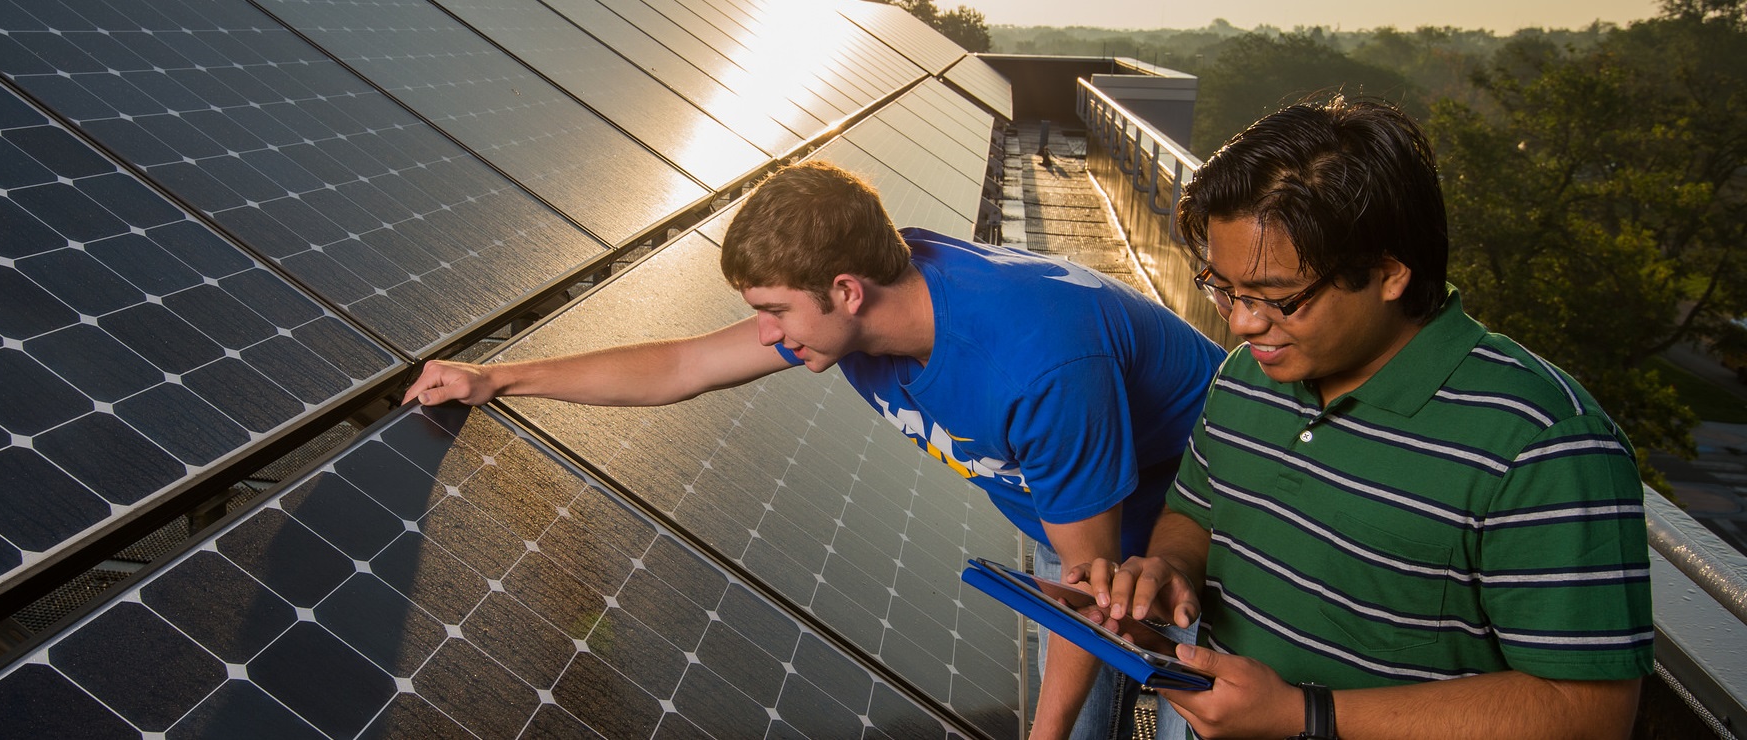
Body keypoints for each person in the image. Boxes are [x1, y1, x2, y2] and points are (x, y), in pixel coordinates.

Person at [402, 160, 1225, 739]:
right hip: (1077, 515)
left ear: (846, 291)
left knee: (1185, 705)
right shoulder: (858, 302)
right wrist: (497, 376)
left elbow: (1090, 599)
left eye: (774, 311)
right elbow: (683, 365)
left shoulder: (1038, 367)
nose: (766, 335)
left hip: (1206, 514)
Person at [1069, 97, 1653, 739]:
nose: (1241, 322)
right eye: (1224, 288)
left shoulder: (1543, 443)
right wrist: (1169, 573)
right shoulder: (1243, 378)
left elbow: (1588, 713)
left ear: (1388, 274)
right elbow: (1194, 514)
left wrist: (1303, 716)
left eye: (1277, 298)